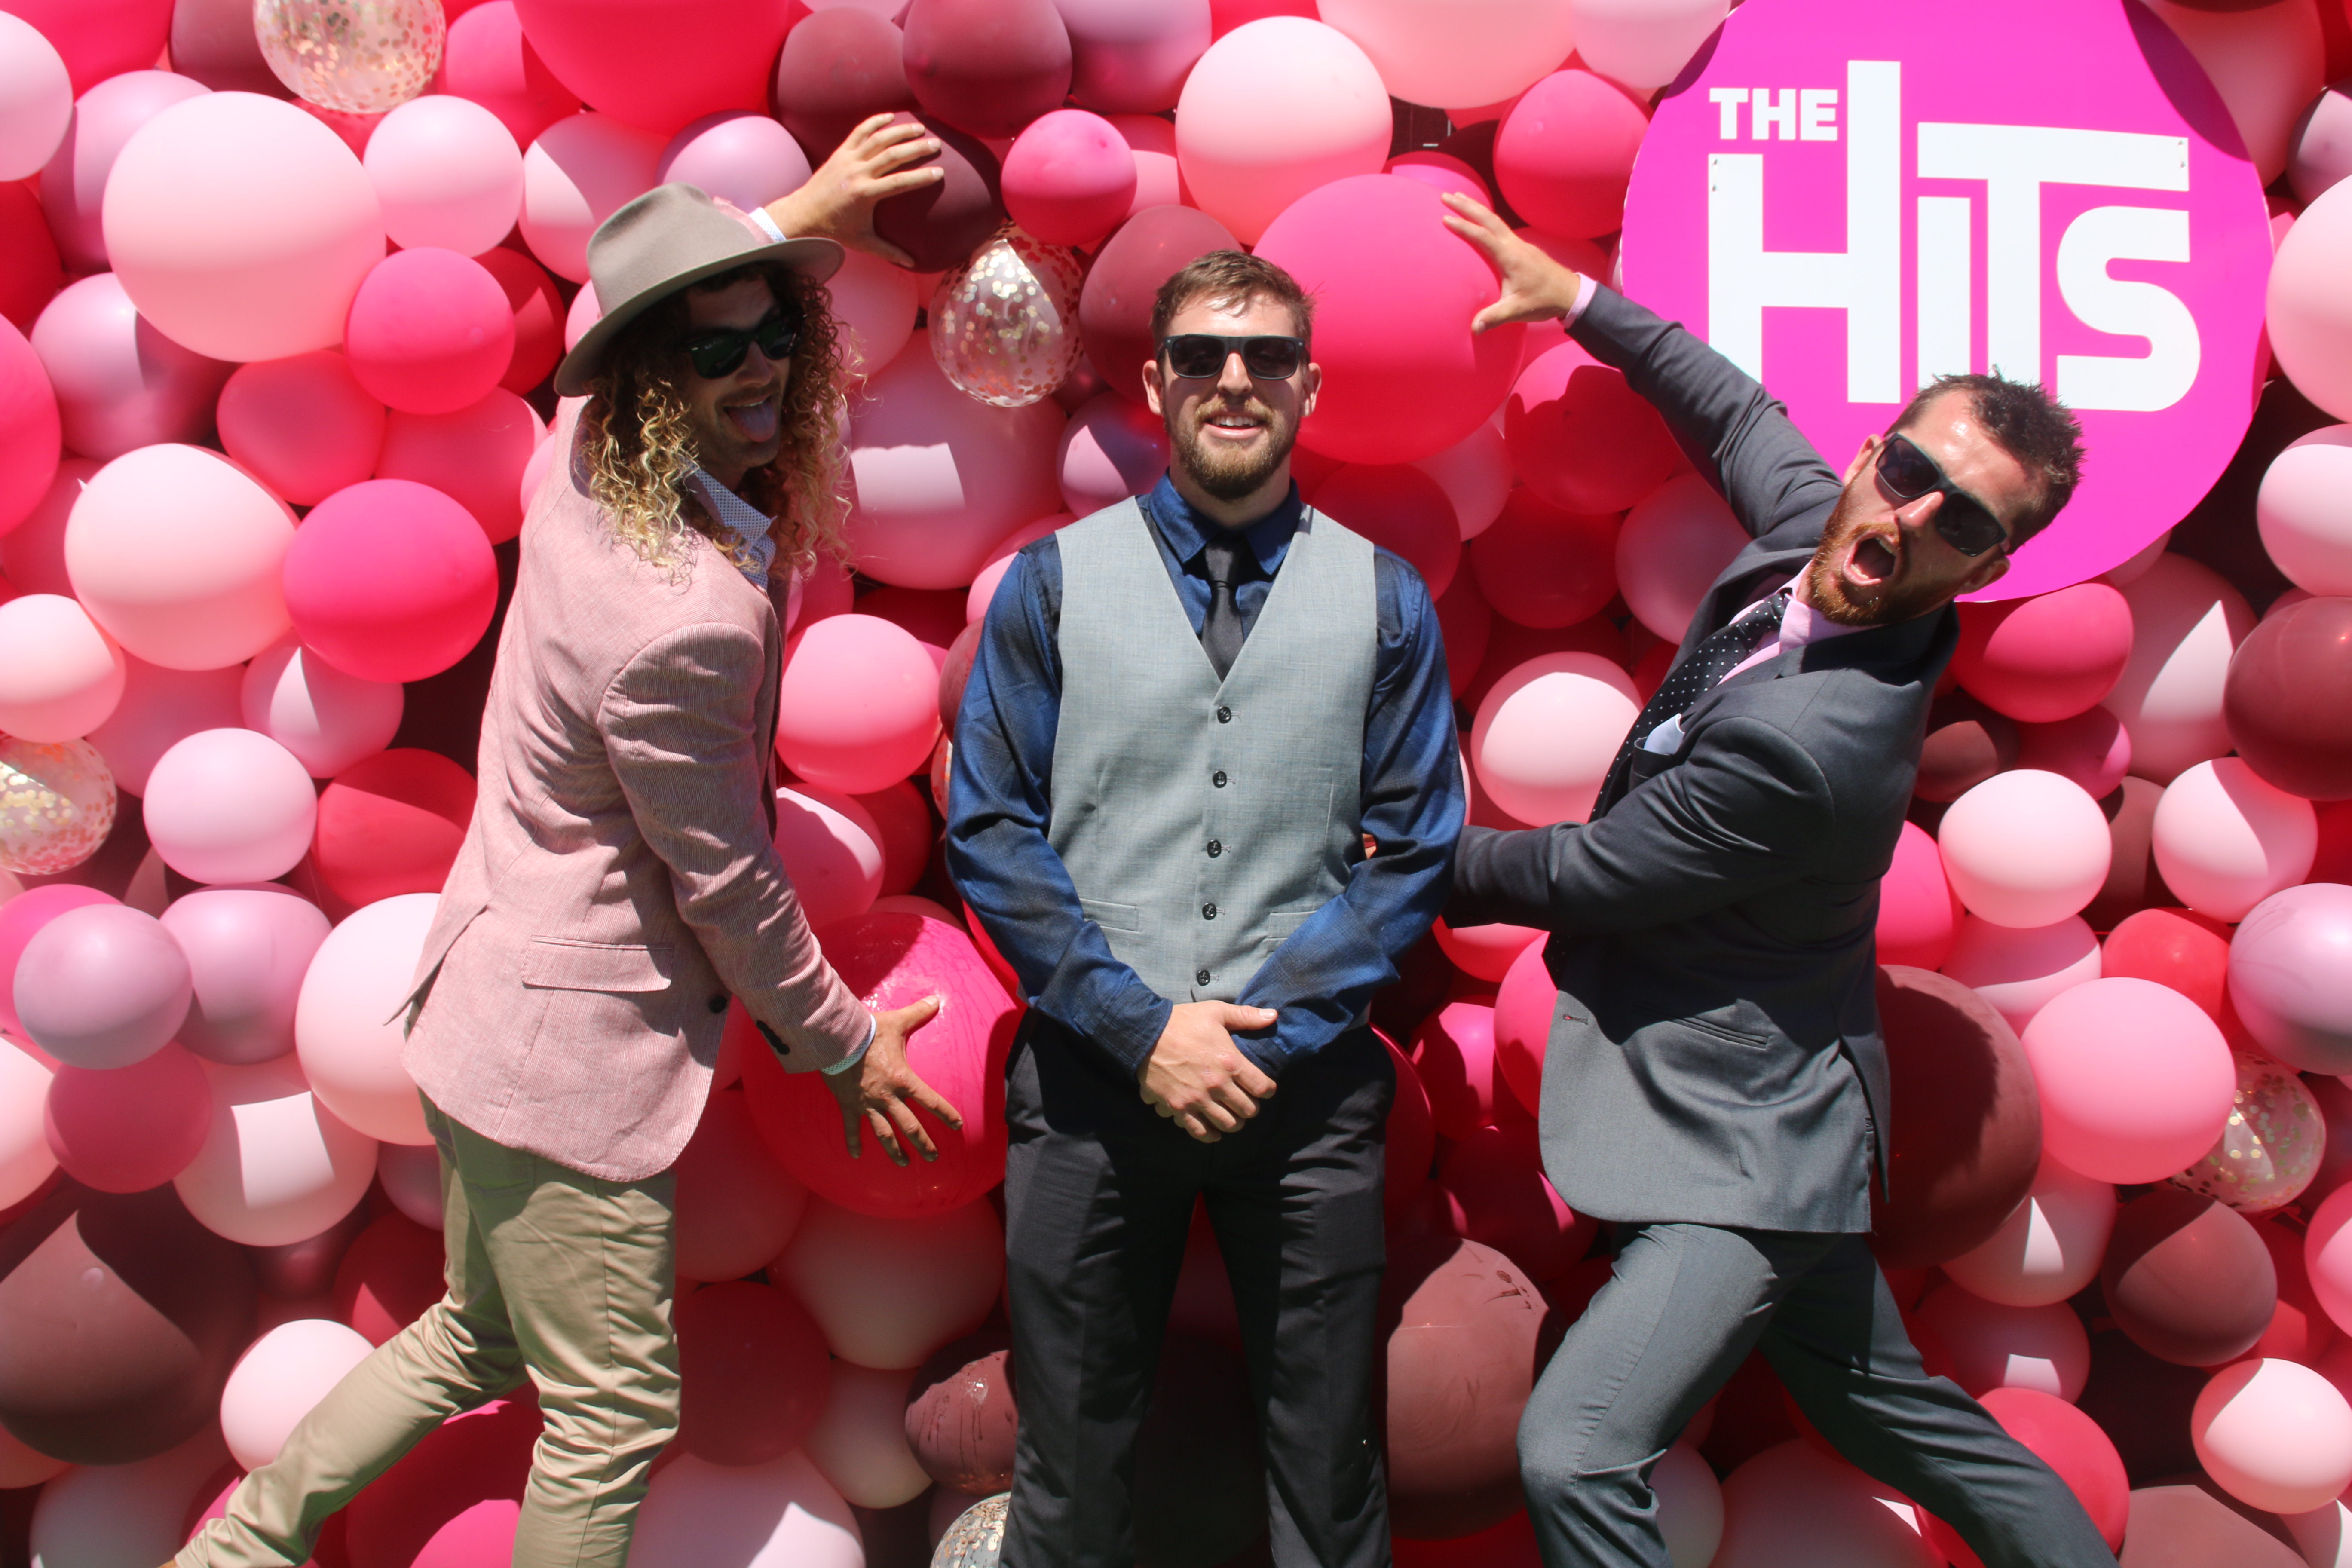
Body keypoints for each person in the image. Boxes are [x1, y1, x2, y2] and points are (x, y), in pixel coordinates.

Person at [178, 117, 960, 1568]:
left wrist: (803, 210)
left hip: (487, 1015)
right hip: (563, 1058)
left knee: (476, 1338)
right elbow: (726, 880)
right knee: (611, 1416)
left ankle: (235, 1555)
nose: (760, 370)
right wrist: (846, 1045)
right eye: (715, 352)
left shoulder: (584, 464)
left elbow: (607, 339)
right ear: (657, 381)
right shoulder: (682, 622)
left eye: (776, 334)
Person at [1436, 193, 2116, 1568]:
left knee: (1578, 1450)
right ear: (1872, 453)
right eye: (1908, 469)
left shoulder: (1816, 749)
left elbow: (1595, 871)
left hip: (1740, 1151)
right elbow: (1738, 415)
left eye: (1960, 519)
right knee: (1892, 1414)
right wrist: (1576, 302)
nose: (1909, 516)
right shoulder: (1822, 531)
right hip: (1786, 1095)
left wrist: (1374, 853)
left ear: (1987, 565)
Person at [948, 251, 1464, 1568]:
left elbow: (1416, 846)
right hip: (1090, 1082)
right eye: (1202, 356)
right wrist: (1140, 1031)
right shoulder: (1052, 583)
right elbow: (992, 828)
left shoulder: (1387, 598)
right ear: (1156, 382)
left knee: (1332, 1479)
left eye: (1267, 356)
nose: (1235, 380)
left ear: (1309, 385)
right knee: (1067, 1477)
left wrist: (1263, 1035)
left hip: (1308, 1100)